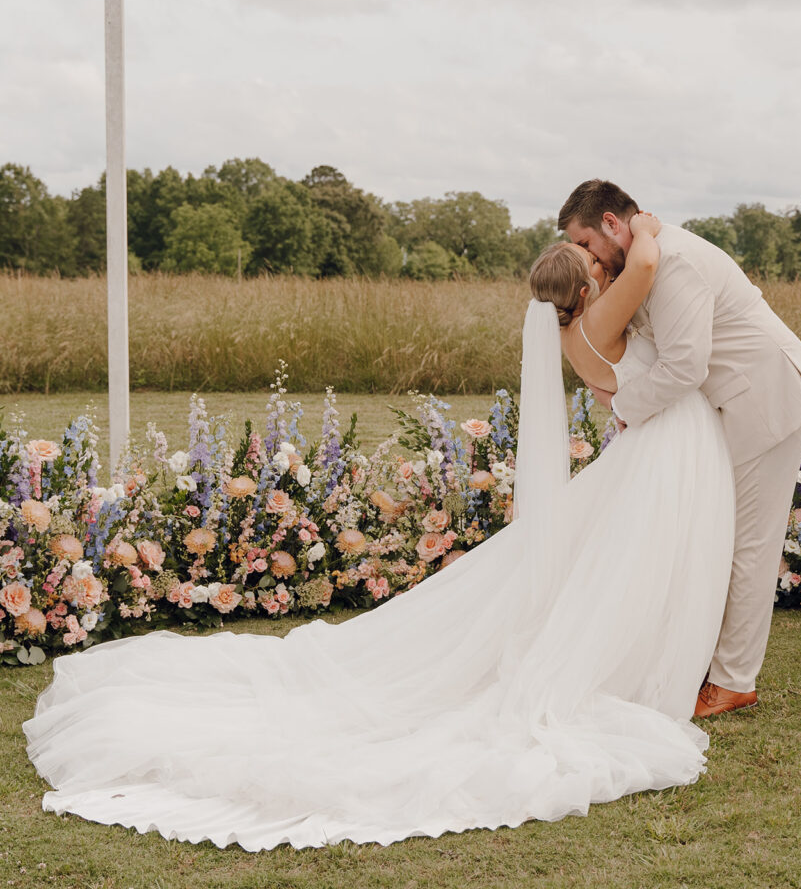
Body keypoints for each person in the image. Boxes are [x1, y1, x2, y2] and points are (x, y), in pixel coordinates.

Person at [24, 213, 736, 852]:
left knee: (633, 557)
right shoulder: (600, 323)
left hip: (654, 441)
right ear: (585, 285)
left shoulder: (574, 333)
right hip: (662, 444)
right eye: (589, 264)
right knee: (645, 554)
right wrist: (640, 231)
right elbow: (643, 270)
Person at [558, 179, 801, 718]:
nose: (584, 256)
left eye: (585, 242)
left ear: (613, 223)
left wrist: (626, 410)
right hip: (734, 402)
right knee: (715, 531)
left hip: (765, 396)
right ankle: (706, 659)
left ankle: (732, 682)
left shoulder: (673, 262)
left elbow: (684, 365)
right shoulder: (643, 259)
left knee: (747, 543)